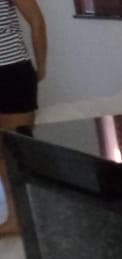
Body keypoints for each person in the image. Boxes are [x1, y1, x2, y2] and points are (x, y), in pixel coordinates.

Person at [0, 0, 45, 236]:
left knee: (18, 149)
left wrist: (41, 67)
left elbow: (36, 19)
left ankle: (38, 216)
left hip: (12, 73)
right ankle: (16, 219)